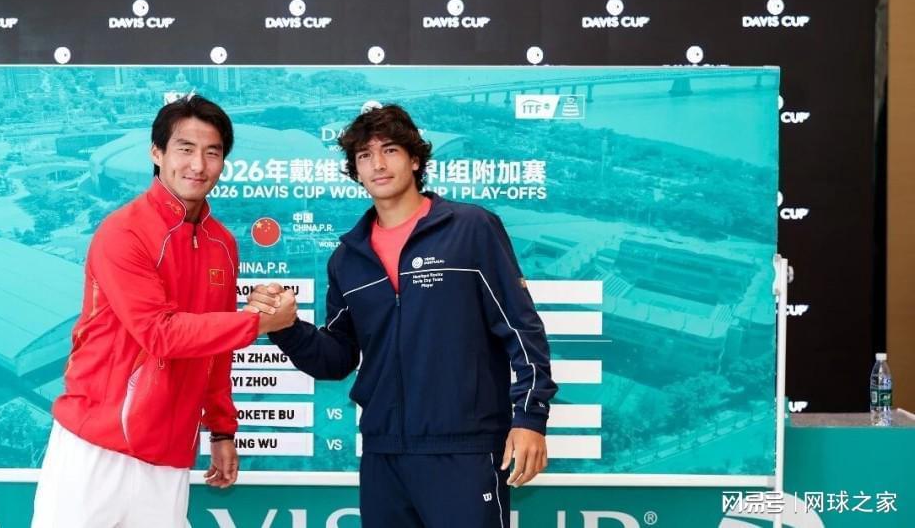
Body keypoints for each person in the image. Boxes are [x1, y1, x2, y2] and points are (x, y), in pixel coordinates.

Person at [257, 104, 556, 528]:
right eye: (364, 156)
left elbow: (522, 330)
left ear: (415, 159)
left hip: (465, 449)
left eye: (390, 150)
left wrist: (530, 418)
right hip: (384, 454)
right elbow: (337, 358)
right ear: (355, 171)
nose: (377, 164)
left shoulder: (471, 229)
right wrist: (286, 328)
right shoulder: (347, 259)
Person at [31, 95, 297, 528]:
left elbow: (215, 351)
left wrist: (222, 429)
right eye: (185, 149)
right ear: (157, 153)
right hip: (93, 444)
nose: (198, 165)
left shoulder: (223, 244)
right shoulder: (123, 232)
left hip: (169, 453)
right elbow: (160, 333)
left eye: (212, 153)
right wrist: (257, 322)